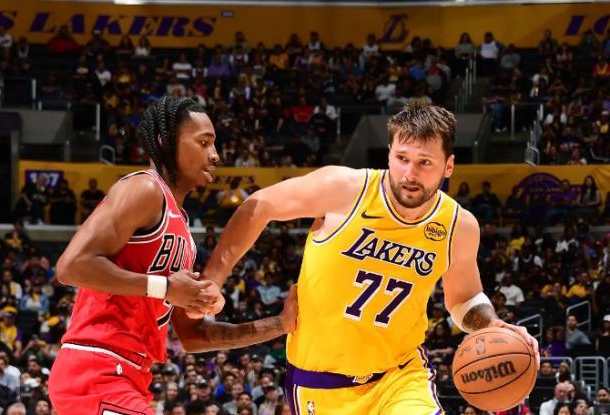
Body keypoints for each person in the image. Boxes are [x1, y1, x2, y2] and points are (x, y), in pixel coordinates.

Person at [202, 103, 539, 414]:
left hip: (400, 378)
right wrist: (213, 279)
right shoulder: (343, 189)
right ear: (389, 153)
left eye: (424, 162)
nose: (410, 173)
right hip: (320, 383)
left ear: (448, 165)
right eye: (402, 158)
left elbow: (464, 299)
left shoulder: (458, 226)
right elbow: (259, 206)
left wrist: (490, 323)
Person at [48, 97, 298, 415]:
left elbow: (194, 336)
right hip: (97, 367)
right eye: (204, 143)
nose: (215, 155)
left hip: (131, 375)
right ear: (166, 143)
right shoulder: (144, 189)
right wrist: (165, 287)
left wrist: (280, 324)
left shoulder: (184, 234)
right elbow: (70, 267)